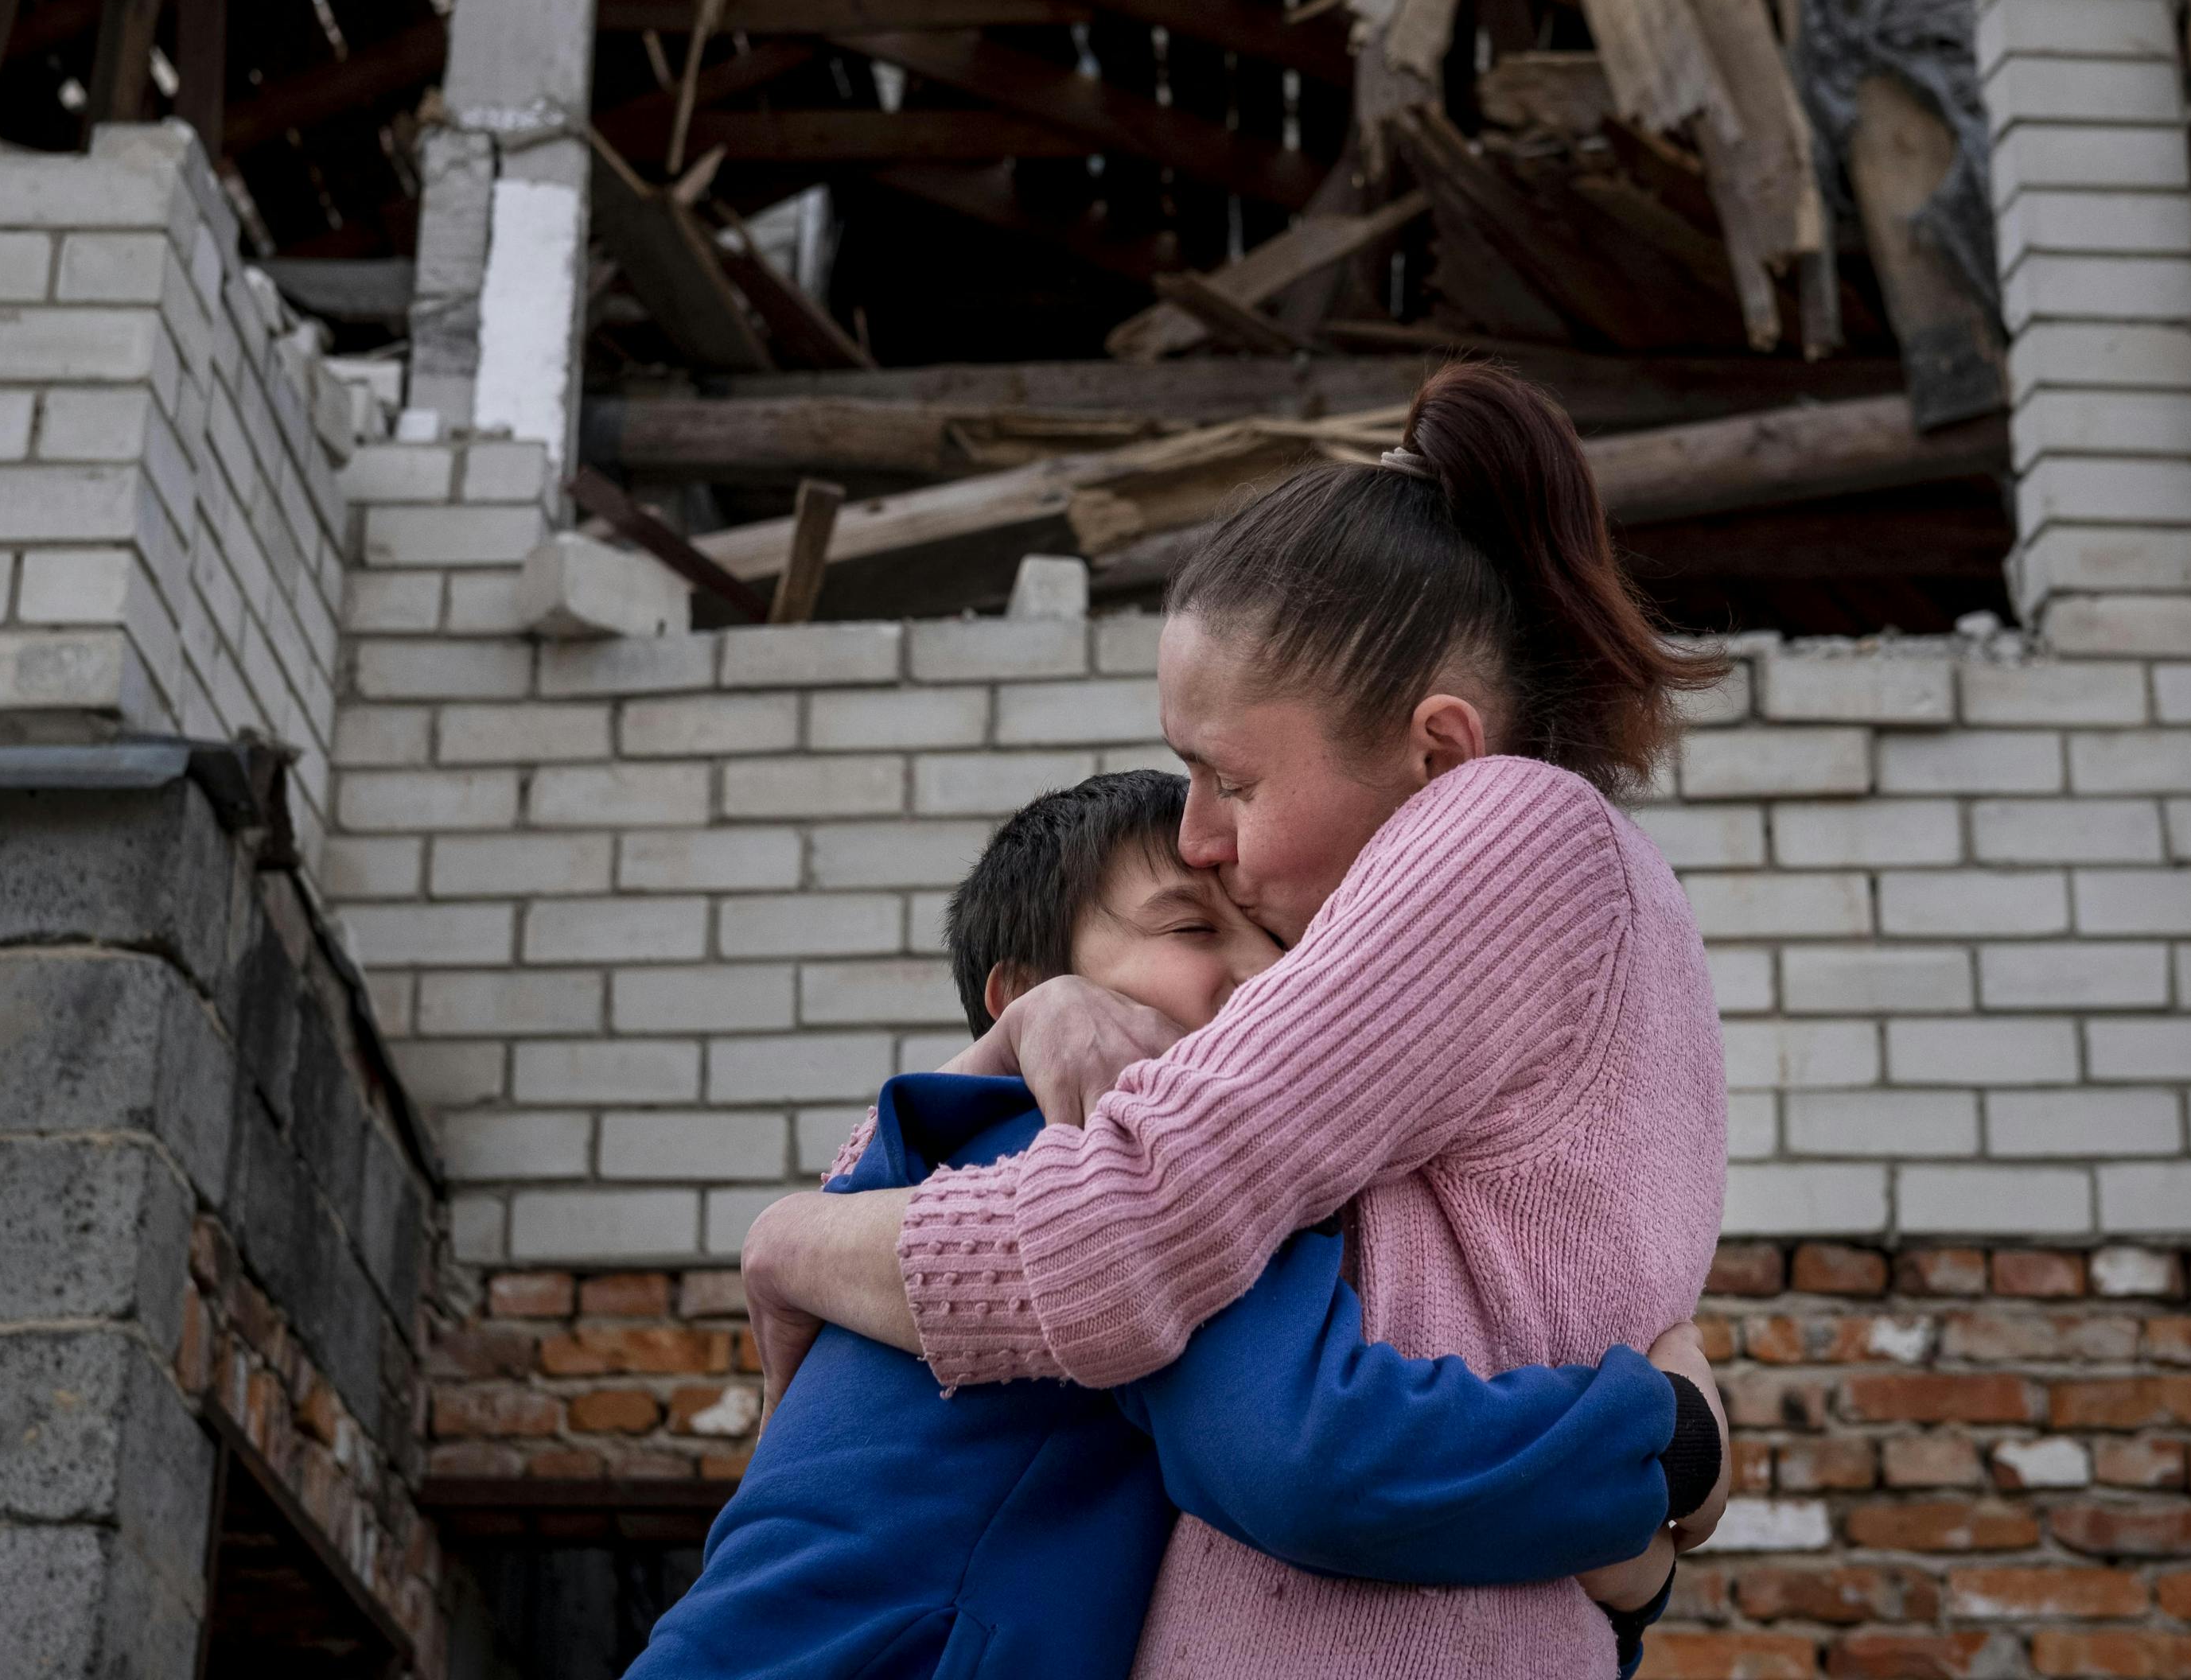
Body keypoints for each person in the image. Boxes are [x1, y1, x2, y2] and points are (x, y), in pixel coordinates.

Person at [741, 360, 1733, 1678]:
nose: (1200, 838)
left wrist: (796, 1238)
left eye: (1231, 780)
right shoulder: (1600, 921)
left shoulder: (1511, 828)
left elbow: (1128, 1246)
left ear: (1437, 751)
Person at [631, 771, 1726, 1680]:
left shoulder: (928, 1162)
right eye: (1193, 928)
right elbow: (1315, 1454)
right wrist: (1664, 1445)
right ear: (1024, 996)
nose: (1259, 974)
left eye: (1279, 939)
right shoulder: (1099, 1160)